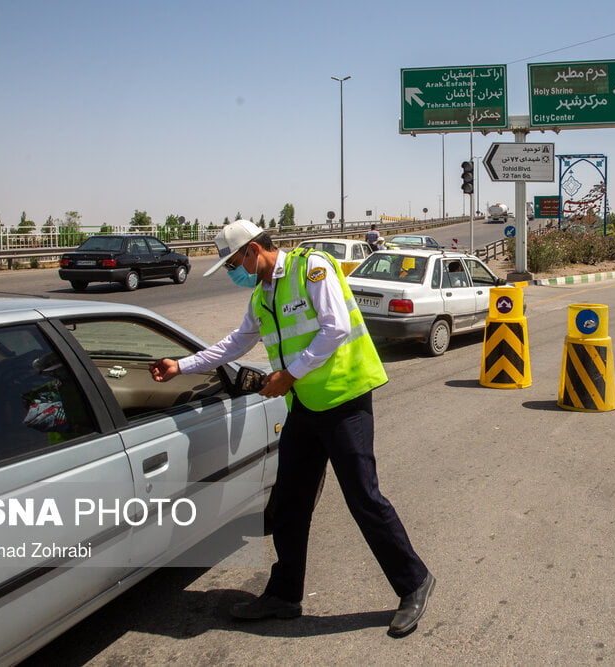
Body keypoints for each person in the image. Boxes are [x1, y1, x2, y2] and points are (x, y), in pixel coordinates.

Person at [149, 219, 434, 638]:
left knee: (363, 498)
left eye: (232, 262)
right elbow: (236, 342)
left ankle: (414, 583)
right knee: (289, 503)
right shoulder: (263, 293)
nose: (233, 272)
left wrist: (289, 375)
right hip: (304, 406)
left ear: (252, 250)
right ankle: (284, 595)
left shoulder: (311, 267)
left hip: (345, 400)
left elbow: (335, 327)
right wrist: (182, 366)